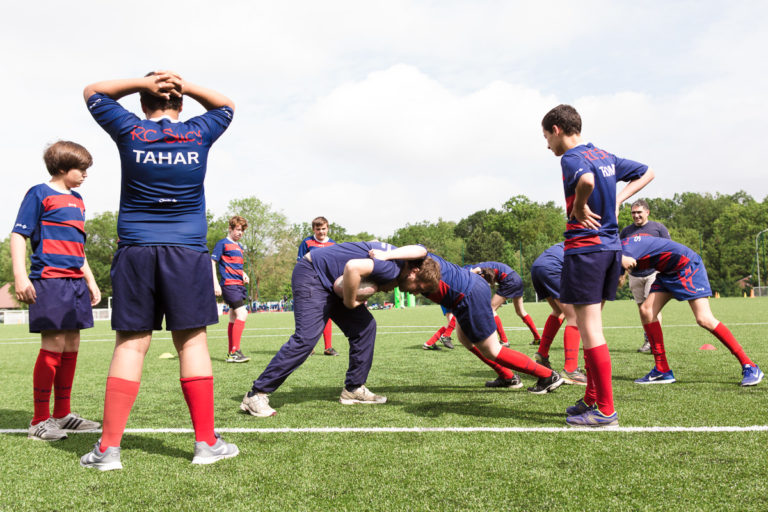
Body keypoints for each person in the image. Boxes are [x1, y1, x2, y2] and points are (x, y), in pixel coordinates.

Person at [79, 71, 238, 470]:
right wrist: (184, 84)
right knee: (193, 343)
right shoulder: (198, 131)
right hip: (186, 252)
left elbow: (92, 92)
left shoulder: (130, 129)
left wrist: (139, 82)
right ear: (181, 104)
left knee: (131, 344)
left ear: (143, 103)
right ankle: (206, 444)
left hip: (135, 250)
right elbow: (226, 105)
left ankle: (108, 451)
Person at [542, 104, 654, 427]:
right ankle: (592, 397)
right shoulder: (605, 155)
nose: (547, 144)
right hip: (611, 250)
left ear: (558, 130)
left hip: (586, 250)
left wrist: (578, 205)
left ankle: (605, 410)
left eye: (546, 136)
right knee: (591, 324)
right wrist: (619, 200)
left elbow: (586, 181)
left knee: (589, 328)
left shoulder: (572, 158)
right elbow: (648, 172)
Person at [241, 242, 427, 417]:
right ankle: (256, 394)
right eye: (418, 285)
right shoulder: (392, 268)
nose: (415, 292)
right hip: (312, 274)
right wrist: (350, 301)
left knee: (365, 327)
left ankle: (353, 389)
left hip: (332, 280)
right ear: (414, 271)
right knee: (306, 338)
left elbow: (419, 248)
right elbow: (352, 267)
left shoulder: (398, 256)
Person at [11, 141, 101, 441]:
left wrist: (90, 280)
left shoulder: (78, 200)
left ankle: (62, 414)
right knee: (54, 346)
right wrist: (21, 277)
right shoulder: (39, 193)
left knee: (72, 345)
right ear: (62, 168)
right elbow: (19, 235)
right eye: (81, 168)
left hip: (75, 282)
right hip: (49, 280)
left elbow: (78, 247)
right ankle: (39, 420)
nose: (86, 174)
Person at [380, 249, 563, 394]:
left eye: (417, 287)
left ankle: (548, 376)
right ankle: (507, 377)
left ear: (414, 272)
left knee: (492, 350)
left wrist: (385, 255)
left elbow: (418, 248)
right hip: (466, 293)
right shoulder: (409, 260)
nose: (414, 291)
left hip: (469, 294)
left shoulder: (411, 257)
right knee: (465, 340)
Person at [621, 235, 763, 386]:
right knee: (647, 311)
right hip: (668, 273)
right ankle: (662, 370)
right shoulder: (617, 251)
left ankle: (750, 366)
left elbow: (622, 269)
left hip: (687, 266)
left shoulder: (625, 248)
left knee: (704, 319)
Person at [529, 243, 587, 385]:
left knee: (558, 311)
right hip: (553, 268)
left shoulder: (576, 237)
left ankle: (541, 355)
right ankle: (570, 370)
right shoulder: (595, 242)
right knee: (574, 317)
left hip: (537, 267)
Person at [619, 199, 671, 353]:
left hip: (653, 273)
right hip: (634, 275)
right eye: (633, 213)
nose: (636, 215)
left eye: (639, 212)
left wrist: (666, 270)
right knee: (642, 309)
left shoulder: (658, 228)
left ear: (647, 212)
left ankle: (657, 344)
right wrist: (622, 274)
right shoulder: (626, 231)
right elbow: (621, 253)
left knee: (652, 309)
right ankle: (648, 340)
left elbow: (669, 249)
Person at [469, 261, 542, 346]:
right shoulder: (485, 266)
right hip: (516, 278)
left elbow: (477, 270)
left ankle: (504, 340)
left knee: (490, 309)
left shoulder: (473, 269)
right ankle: (537, 338)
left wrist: (469, 273)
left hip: (509, 280)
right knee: (520, 311)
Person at [297, 216, 339, 356]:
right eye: (318, 229)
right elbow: (300, 262)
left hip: (327, 283)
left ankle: (328, 347)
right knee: (310, 315)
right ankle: (309, 347)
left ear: (327, 228)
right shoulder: (307, 242)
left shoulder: (333, 244)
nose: (321, 232)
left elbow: (335, 265)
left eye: (323, 229)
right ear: (313, 229)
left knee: (327, 314)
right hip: (310, 283)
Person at [212, 215, 251, 363]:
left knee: (233, 317)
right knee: (243, 313)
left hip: (239, 285)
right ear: (230, 228)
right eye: (238, 230)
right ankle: (235, 352)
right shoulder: (222, 244)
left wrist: (243, 273)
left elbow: (235, 265)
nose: (240, 233)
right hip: (229, 285)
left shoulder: (239, 246)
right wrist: (215, 283)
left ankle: (231, 352)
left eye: (242, 231)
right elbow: (212, 262)